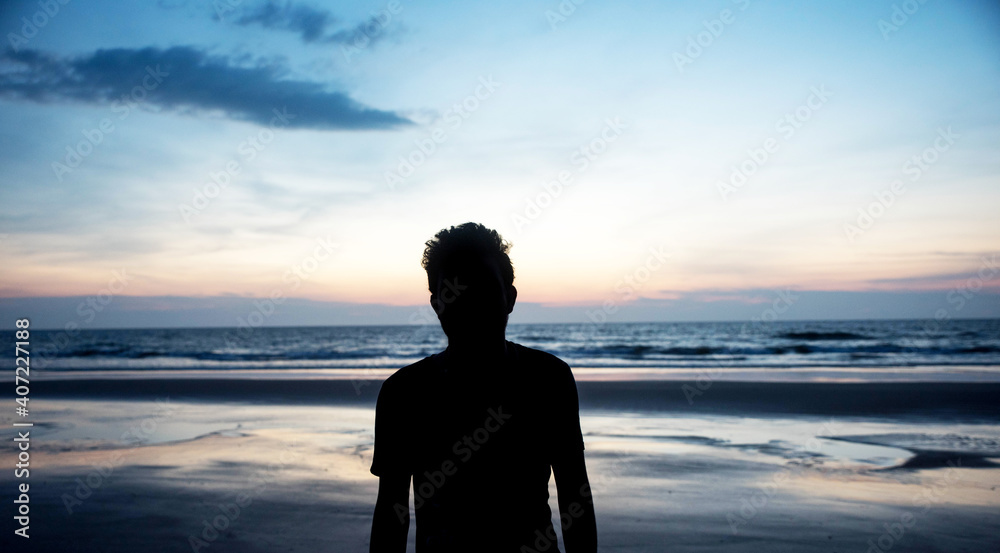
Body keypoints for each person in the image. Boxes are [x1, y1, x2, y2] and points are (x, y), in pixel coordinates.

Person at [369, 222, 597, 553]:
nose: (470, 302)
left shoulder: (548, 379)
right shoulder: (404, 393)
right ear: (436, 304)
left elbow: (575, 494)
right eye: (455, 289)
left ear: (510, 297)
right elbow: (392, 513)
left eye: (484, 288)